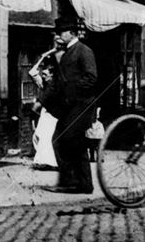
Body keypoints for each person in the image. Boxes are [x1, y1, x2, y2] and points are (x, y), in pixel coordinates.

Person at [44, 17, 98, 194]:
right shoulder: (67, 52)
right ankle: (78, 182)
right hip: (71, 106)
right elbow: (59, 82)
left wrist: (71, 90)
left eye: (62, 32)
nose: (59, 35)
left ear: (72, 33)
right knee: (62, 140)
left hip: (82, 105)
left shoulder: (84, 51)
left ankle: (77, 182)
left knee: (69, 140)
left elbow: (91, 77)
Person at [29, 50, 62, 170]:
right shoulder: (43, 84)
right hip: (45, 113)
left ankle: (51, 162)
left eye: (46, 74)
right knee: (39, 135)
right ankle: (44, 160)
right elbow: (32, 72)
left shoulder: (57, 85)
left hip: (54, 114)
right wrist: (42, 58)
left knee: (47, 137)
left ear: (52, 75)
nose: (43, 75)